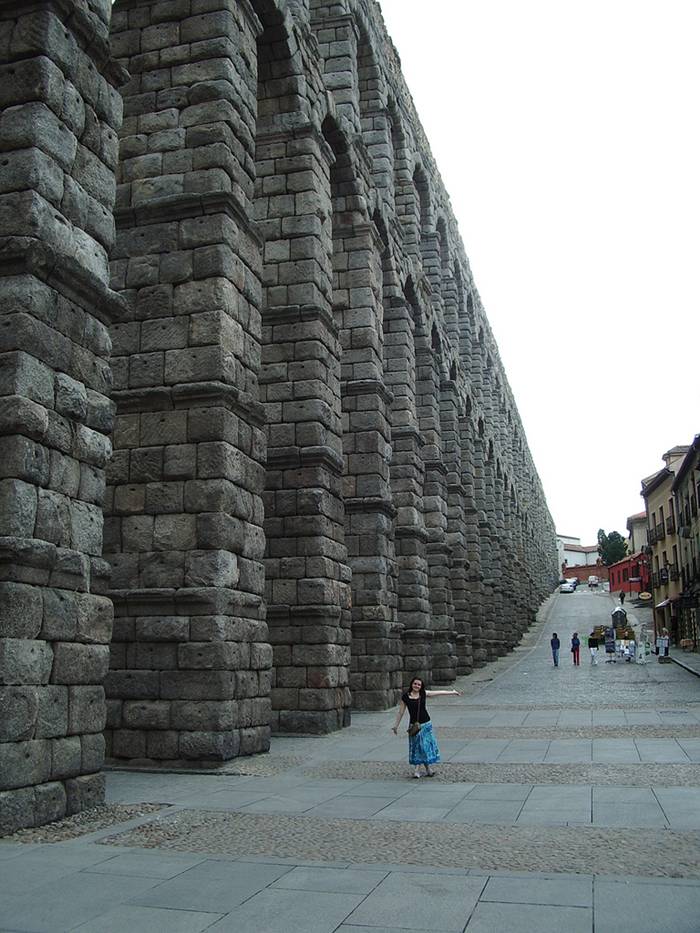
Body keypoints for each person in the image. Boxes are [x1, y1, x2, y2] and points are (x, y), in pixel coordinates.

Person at [391, 677, 461, 778]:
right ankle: (422, 770)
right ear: (411, 684)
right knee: (417, 747)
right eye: (415, 684)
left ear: (421, 686)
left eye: (419, 685)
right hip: (414, 726)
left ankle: (424, 769)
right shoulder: (405, 697)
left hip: (426, 724)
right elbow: (401, 712)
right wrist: (396, 726)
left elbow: (438, 693)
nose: (417, 686)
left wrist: (452, 692)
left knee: (425, 747)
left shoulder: (423, 693)